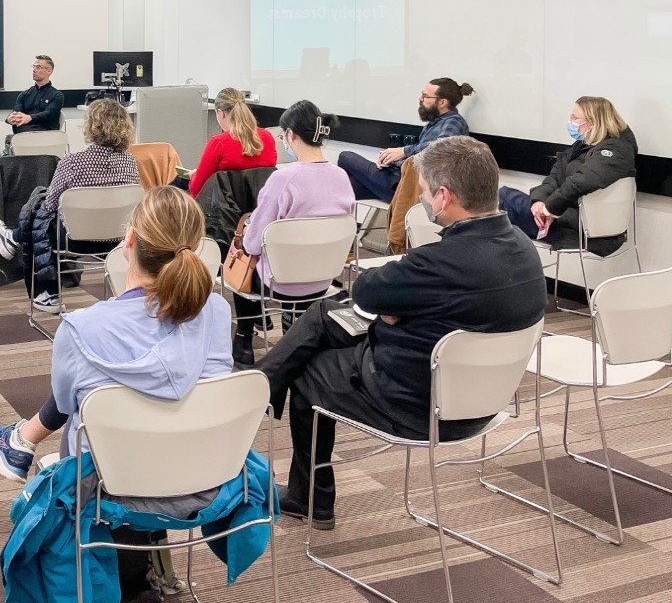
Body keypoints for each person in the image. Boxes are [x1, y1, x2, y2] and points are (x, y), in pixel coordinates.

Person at [259, 135, 543, 530]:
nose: (422, 199)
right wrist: (400, 314)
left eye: (423, 191)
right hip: (483, 398)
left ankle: (309, 492)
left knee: (311, 367)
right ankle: (264, 387)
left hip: (417, 402)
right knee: (327, 314)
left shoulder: (439, 262)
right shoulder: (524, 250)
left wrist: (396, 314)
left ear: (443, 196)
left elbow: (364, 288)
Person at [0, 186, 233, 481]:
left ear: (130, 239)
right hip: (199, 472)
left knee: (79, 400)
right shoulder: (216, 310)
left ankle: (22, 441)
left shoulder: (81, 328)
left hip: (105, 484)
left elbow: (64, 405)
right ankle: (21, 441)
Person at [231, 101, 355, 369]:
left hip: (280, 282)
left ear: (291, 135)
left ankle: (243, 341)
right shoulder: (342, 176)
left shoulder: (282, 179)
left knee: (240, 258)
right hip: (324, 277)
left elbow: (252, 244)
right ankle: (295, 331)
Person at [0, 98, 140, 313]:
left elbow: (51, 205)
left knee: (40, 202)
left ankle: (45, 288)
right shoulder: (130, 162)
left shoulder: (72, 162)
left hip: (74, 241)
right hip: (118, 239)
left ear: (92, 125)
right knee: (41, 201)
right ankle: (13, 238)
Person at [499, 96, 638, 257]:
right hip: (568, 218)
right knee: (503, 203)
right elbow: (554, 177)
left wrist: (549, 209)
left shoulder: (616, 150)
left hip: (587, 230)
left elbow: (581, 181)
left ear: (592, 122)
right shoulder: (582, 146)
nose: (570, 121)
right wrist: (539, 201)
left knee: (503, 201)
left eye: (575, 118)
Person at [337, 78, 473, 202]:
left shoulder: (454, 122)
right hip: (401, 180)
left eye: (425, 96)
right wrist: (393, 159)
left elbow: (442, 147)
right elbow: (420, 156)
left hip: (409, 187)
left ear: (442, 102)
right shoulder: (435, 123)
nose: (420, 98)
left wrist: (404, 151)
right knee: (346, 187)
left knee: (346, 157)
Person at [187, 88, 277, 198]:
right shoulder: (267, 137)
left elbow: (197, 189)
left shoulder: (218, 143)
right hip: (261, 208)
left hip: (226, 212)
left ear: (220, 113)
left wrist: (194, 177)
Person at [5, 55, 64, 136]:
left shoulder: (57, 96)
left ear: (49, 71)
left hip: (46, 134)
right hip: (24, 135)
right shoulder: (24, 94)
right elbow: (17, 110)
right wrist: (12, 117)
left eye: (38, 67)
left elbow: (48, 114)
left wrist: (29, 118)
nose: (34, 70)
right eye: (33, 67)